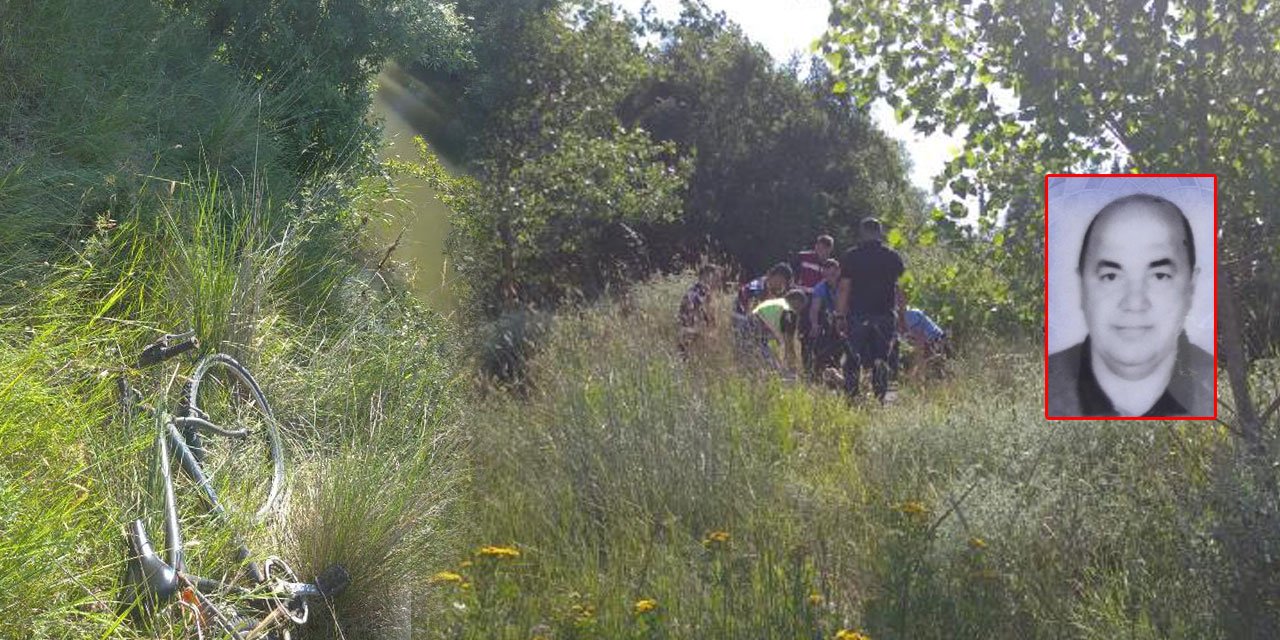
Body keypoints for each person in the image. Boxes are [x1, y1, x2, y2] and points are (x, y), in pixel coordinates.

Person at [1047, 193, 1212, 417]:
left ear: (1191, 287)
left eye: (1160, 276)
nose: (1134, 303)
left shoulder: (1224, 393)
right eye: (1111, 276)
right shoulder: (1041, 386)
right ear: (1081, 287)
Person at [835, 218, 905, 403]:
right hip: (885, 314)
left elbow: (844, 287)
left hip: (858, 314)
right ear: (880, 232)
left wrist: (840, 315)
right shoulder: (892, 257)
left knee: (852, 357)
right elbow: (899, 289)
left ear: (862, 232)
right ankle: (881, 398)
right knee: (881, 358)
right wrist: (902, 317)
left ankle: (851, 398)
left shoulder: (852, 256)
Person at [793, 235, 836, 373]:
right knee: (805, 335)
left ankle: (820, 368)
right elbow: (792, 275)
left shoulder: (830, 265)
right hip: (804, 301)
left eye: (826, 250)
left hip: (821, 304)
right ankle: (807, 368)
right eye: (820, 248)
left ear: (830, 250)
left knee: (823, 335)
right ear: (816, 246)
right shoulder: (803, 257)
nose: (822, 252)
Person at [749, 288, 810, 376]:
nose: (800, 311)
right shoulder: (788, 310)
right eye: (801, 305)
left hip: (751, 324)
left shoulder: (778, 302)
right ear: (796, 301)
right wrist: (793, 366)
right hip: (759, 327)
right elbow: (789, 343)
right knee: (770, 365)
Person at [806, 258, 844, 377]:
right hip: (832, 318)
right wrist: (814, 324)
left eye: (832, 274)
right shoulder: (820, 287)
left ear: (839, 272)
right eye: (826, 275)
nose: (830, 278)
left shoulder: (845, 284)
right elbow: (814, 309)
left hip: (848, 316)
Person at [677, 264, 721, 355]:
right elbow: (691, 322)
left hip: (694, 341)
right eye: (716, 277)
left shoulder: (697, 293)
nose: (718, 282)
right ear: (708, 276)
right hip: (694, 343)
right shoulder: (698, 295)